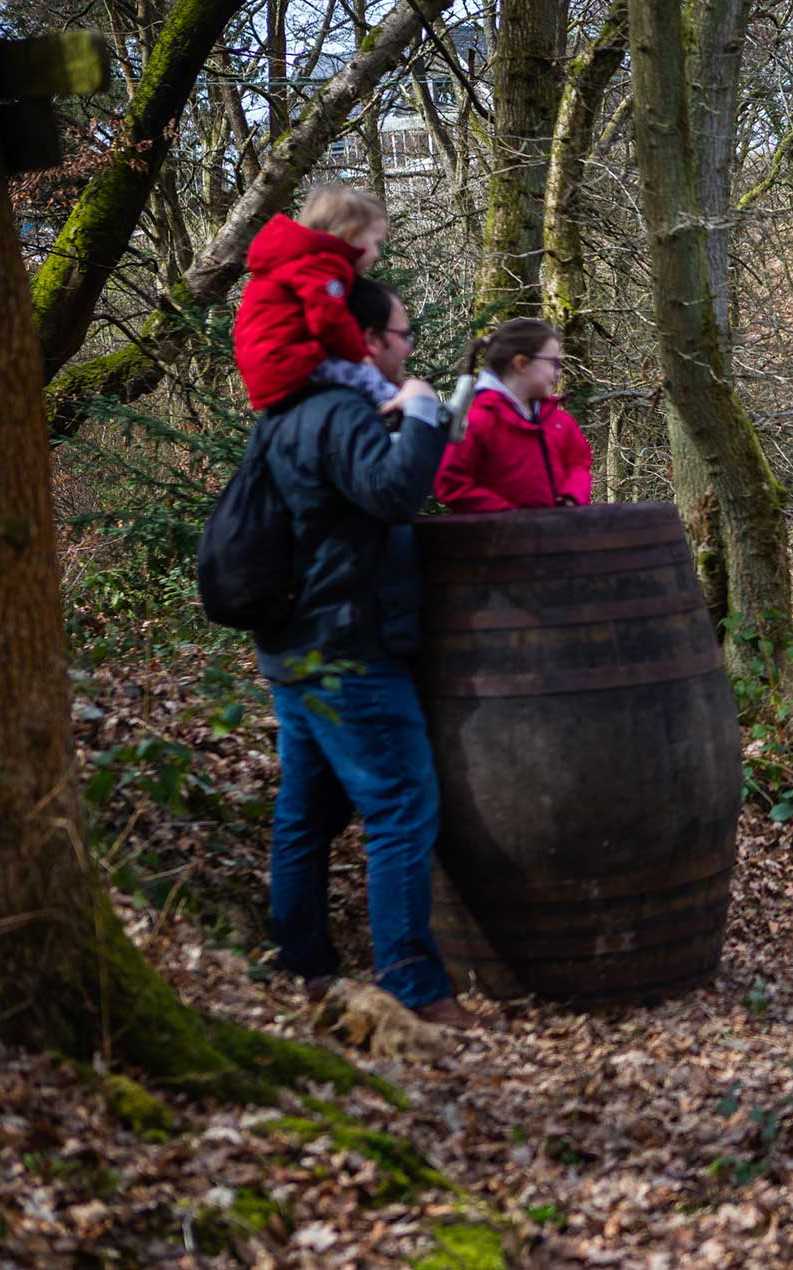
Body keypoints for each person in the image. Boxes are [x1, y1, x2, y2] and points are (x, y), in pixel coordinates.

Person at [255, 275, 478, 1031]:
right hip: (349, 646)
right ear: (373, 341)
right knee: (402, 806)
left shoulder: (286, 411)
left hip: (294, 645)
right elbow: (391, 496)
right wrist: (420, 415)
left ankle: (306, 970)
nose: (411, 349)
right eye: (405, 337)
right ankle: (414, 987)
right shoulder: (342, 412)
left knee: (307, 814)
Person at [234, 184, 392, 412]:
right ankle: (399, 408)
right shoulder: (320, 266)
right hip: (287, 362)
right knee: (366, 375)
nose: (377, 254)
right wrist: (360, 354)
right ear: (351, 236)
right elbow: (329, 319)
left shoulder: (294, 261)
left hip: (266, 365)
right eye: (376, 243)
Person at [434, 318, 594, 512]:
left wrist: (572, 496)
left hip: (559, 536)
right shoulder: (477, 421)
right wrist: (510, 517)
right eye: (553, 363)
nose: (558, 373)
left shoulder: (560, 422)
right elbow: (452, 484)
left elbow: (579, 463)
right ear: (521, 363)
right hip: (499, 539)